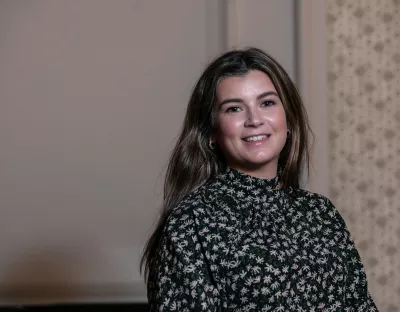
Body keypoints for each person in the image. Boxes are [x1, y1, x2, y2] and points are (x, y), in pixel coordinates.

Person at [140, 47, 378, 311]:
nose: (254, 120)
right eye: (234, 109)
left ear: (288, 120)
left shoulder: (321, 213)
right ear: (211, 132)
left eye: (267, 103)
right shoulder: (191, 222)